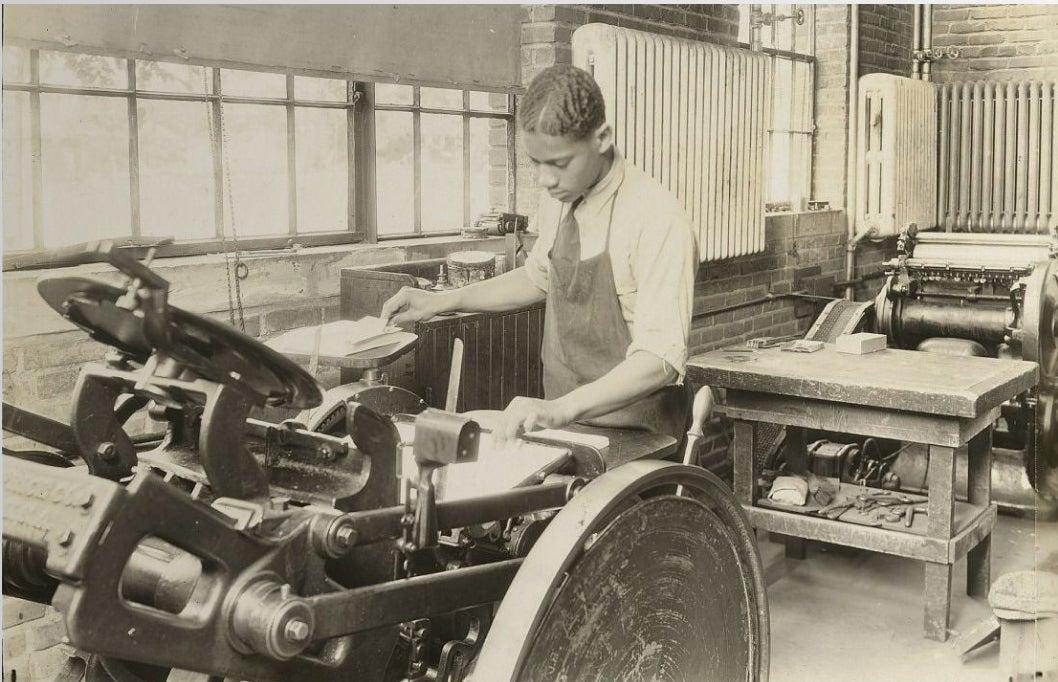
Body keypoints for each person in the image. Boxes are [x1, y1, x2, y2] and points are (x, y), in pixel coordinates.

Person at [382, 64, 698, 446]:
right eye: (536, 163)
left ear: (603, 138)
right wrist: (441, 302)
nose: (546, 180)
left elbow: (660, 360)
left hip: (639, 438)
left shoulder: (658, 219)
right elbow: (537, 277)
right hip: (566, 424)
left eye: (560, 163)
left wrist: (561, 409)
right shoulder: (561, 198)